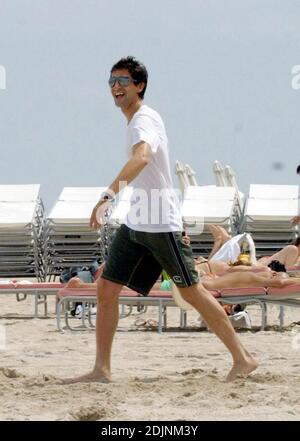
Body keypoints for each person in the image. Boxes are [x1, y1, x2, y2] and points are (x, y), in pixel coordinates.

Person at [63, 56, 257, 384]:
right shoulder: (136, 120)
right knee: (107, 289)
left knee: (192, 292)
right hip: (137, 223)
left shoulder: (143, 120)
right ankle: (102, 369)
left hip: (161, 224)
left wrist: (108, 195)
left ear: (139, 86)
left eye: (123, 81)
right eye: (111, 82)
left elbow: (142, 157)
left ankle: (243, 358)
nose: (116, 87)